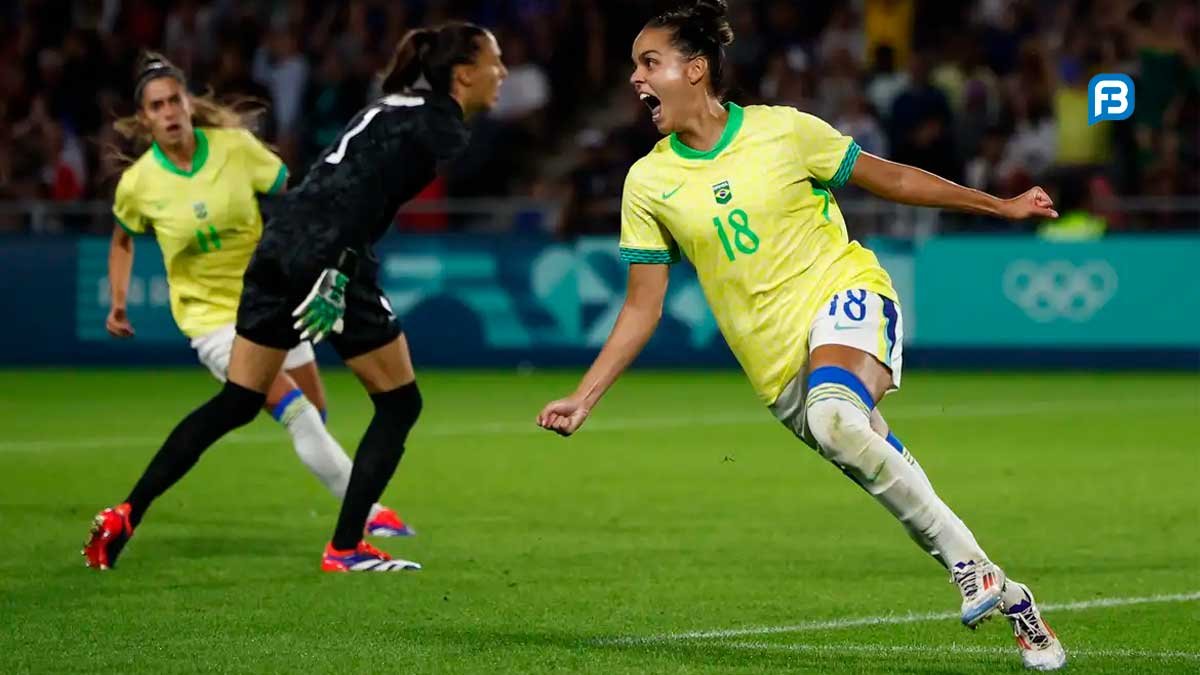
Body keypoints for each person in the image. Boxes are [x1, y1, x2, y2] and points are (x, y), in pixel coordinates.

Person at [535, 2, 1066, 670]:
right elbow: (643, 305)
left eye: (650, 62)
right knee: (878, 463)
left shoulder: (783, 132)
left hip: (845, 294)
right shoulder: (649, 181)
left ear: (695, 70)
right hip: (775, 364)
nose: (635, 80)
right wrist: (587, 394)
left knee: (837, 415)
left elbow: (893, 177)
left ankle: (977, 577)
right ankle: (1002, 587)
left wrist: (1001, 205)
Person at [84, 25, 506, 572]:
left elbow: (321, 183)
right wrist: (337, 272)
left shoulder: (400, 104)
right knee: (400, 404)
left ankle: (125, 513)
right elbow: (363, 201)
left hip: (280, 245)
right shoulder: (437, 126)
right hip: (327, 252)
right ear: (465, 72)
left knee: (238, 401)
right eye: (496, 61)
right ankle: (347, 546)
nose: (503, 73)